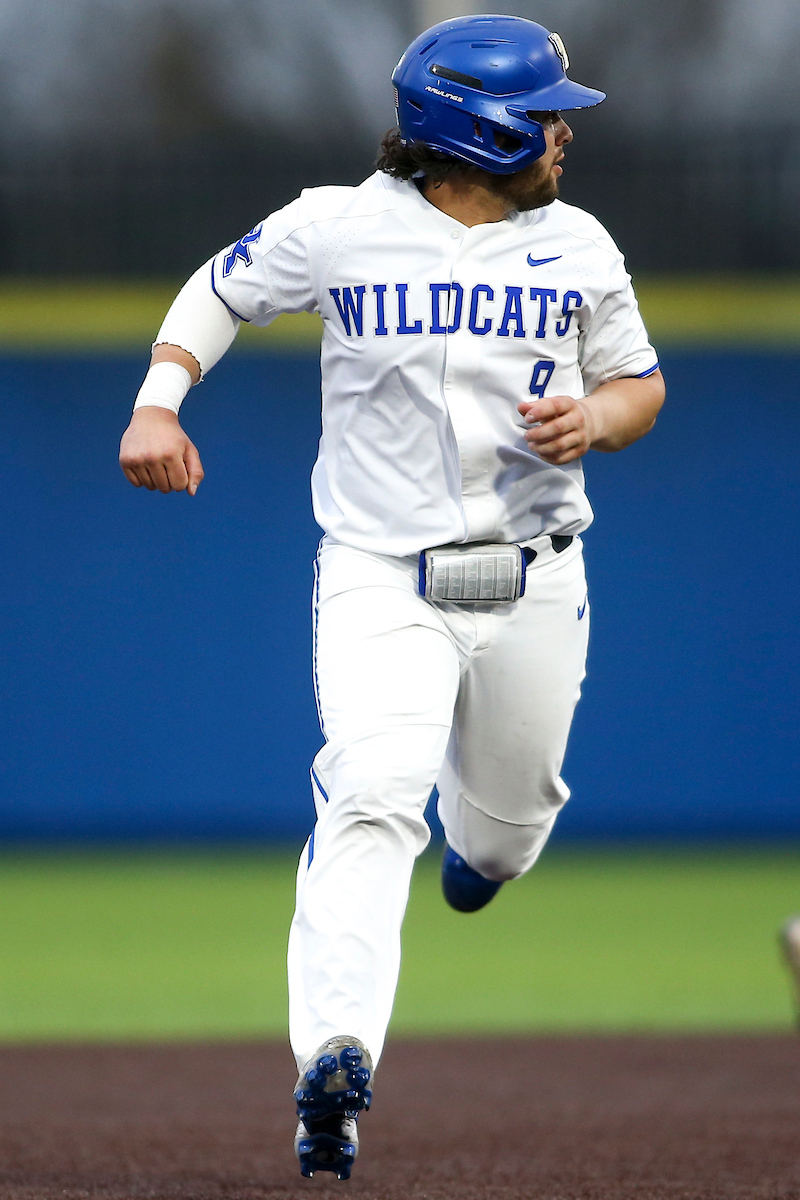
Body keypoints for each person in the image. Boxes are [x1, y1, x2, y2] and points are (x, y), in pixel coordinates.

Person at [119, 14, 665, 1180]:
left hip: (533, 575)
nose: (564, 131)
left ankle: (485, 856)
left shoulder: (575, 245)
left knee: (507, 834)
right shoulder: (338, 227)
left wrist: (599, 419)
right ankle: (333, 1059)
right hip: (382, 578)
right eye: (545, 112)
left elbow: (637, 384)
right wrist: (159, 400)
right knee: (370, 793)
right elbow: (214, 293)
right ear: (478, 129)